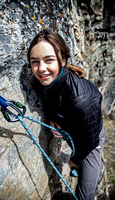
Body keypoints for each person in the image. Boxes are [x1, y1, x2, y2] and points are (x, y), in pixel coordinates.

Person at [27, 29, 105, 200]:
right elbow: (53, 100)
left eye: (49, 60)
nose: (41, 69)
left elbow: (89, 140)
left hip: (92, 141)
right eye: (34, 62)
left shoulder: (82, 99)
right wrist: (53, 119)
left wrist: (75, 160)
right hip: (77, 130)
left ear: (63, 59)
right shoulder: (52, 80)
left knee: (84, 195)